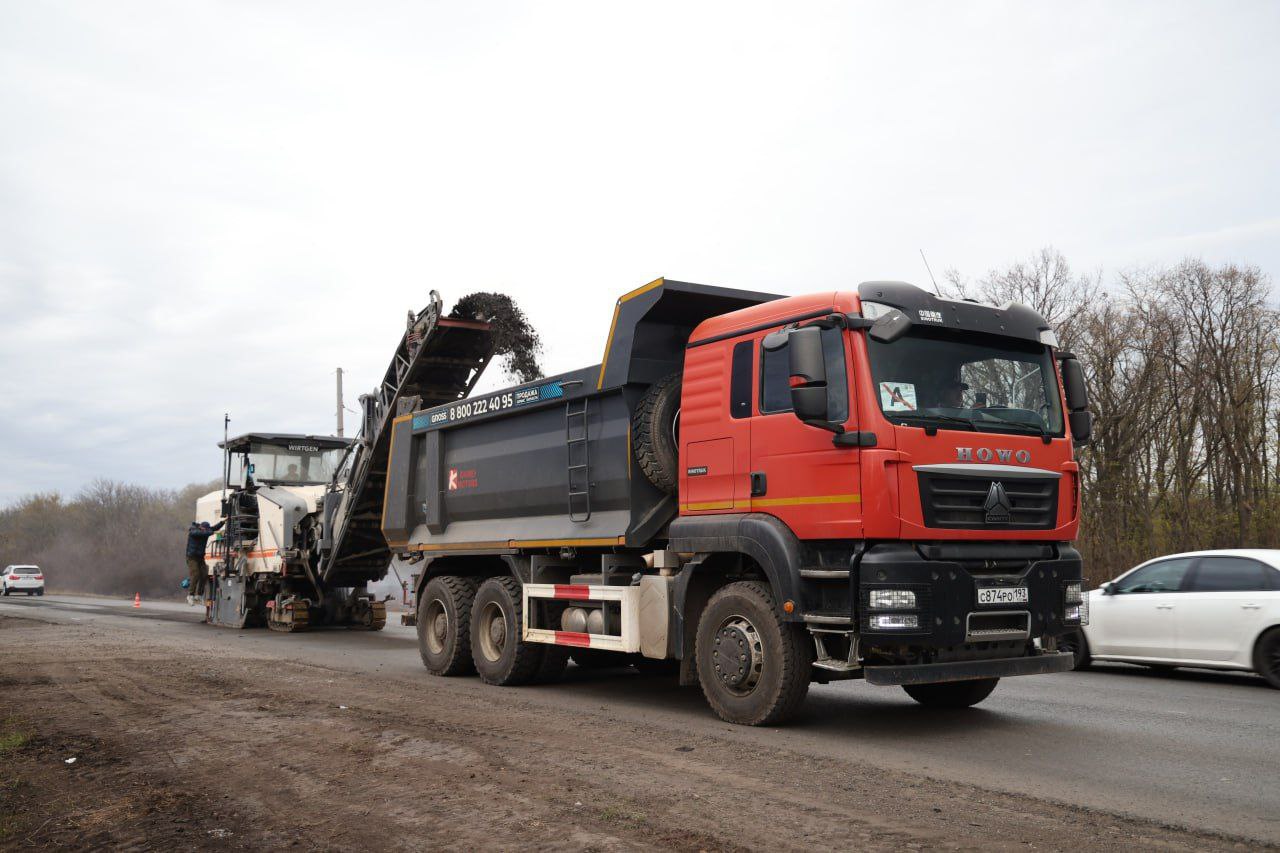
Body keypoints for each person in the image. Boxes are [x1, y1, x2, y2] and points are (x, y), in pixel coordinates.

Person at [185, 520, 224, 606]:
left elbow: (214, 528)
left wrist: (222, 522)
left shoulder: (206, 531)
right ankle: (190, 595)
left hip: (200, 557)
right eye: (204, 529)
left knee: (204, 574)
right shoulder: (193, 531)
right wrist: (211, 532)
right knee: (196, 574)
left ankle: (199, 595)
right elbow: (202, 533)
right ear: (201, 527)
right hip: (192, 557)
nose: (205, 531)